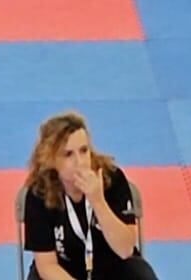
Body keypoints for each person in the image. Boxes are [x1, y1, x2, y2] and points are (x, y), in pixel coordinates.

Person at [22, 111, 158, 280]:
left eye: (84, 151)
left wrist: (98, 201)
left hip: (113, 267)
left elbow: (125, 250)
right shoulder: (39, 193)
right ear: (51, 159)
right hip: (63, 272)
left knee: (140, 273)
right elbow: (47, 266)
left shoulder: (111, 179)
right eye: (68, 154)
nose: (80, 162)